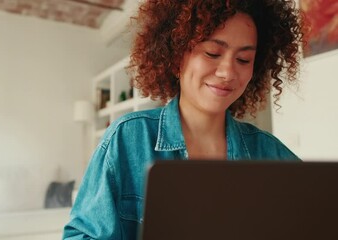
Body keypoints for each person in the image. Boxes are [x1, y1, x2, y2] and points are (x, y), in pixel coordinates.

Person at [63, 0, 306, 239]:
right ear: (176, 55)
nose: (228, 72)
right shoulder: (127, 139)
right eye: (212, 53)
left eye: (243, 59)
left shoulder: (271, 154)